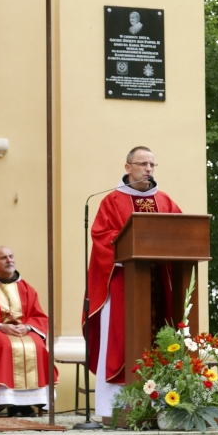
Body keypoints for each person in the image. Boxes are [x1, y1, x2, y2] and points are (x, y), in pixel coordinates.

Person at [85, 146, 181, 418]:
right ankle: (115, 406)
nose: (148, 169)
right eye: (142, 164)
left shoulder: (164, 201)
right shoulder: (112, 201)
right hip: (121, 285)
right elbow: (103, 237)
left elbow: (182, 231)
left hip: (158, 283)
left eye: (152, 165)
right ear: (128, 168)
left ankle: (161, 402)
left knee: (160, 336)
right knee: (119, 338)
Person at [0, 246, 56, 417]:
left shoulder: (27, 289)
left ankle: (32, 402)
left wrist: (28, 326)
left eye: (11, 256)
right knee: (4, 345)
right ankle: (3, 401)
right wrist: (0, 326)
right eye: (3, 258)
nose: (9, 260)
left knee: (37, 345)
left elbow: (39, 315)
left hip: (23, 331)